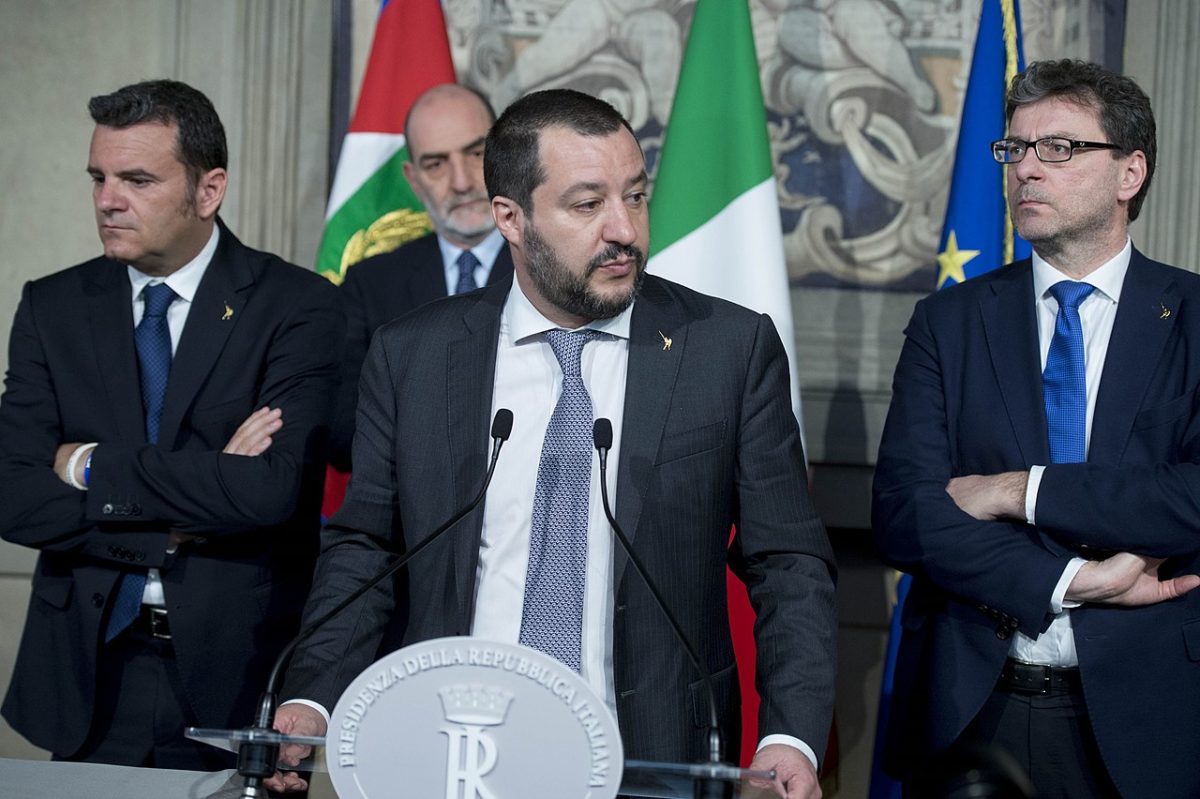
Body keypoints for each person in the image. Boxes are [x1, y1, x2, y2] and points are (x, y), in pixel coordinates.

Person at [267, 89, 837, 799]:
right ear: (510, 215)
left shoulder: (726, 350)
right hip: (457, 753)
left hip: (653, 760)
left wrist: (790, 734)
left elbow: (787, 563)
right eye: (586, 204)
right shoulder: (415, 355)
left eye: (635, 194)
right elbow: (368, 546)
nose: (624, 228)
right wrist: (312, 696)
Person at [873, 59, 1200, 798]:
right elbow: (904, 512)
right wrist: (1074, 579)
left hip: (1150, 717)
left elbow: (1191, 496)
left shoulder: (1194, 318)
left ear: (1129, 172)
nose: (1025, 169)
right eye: (1014, 149)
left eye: (1058, 148)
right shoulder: (948, 321)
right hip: (974, 710)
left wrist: (1018, 490)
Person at [0, 79, 342, 769]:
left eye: (137, 178)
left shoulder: (297, 306)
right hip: (88, 675)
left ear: (208, 190)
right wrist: (177, 519)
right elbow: (12, 493)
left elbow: (269, 492)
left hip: (236, 677)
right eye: (98, 177)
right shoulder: (53, 305)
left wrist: (88, 464)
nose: (107, 199)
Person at [329, 83, 513, 470]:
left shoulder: (553, 267)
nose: (462, 182)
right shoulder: (371, 284)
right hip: (406, 521)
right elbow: (342, 432)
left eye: (476, 153)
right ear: (414, 179)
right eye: (436, 164)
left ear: (503, 156)